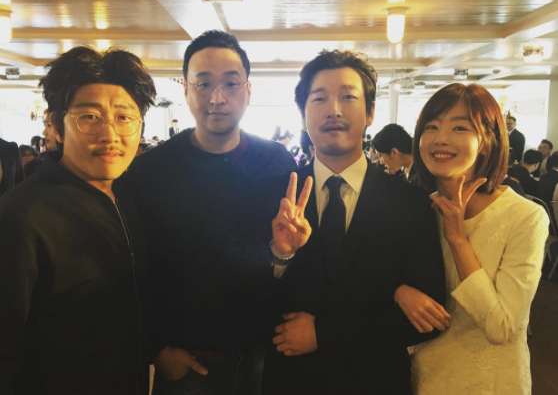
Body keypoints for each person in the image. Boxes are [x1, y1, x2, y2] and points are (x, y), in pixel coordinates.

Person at [260, 50, 445, 395]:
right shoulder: (273, 196)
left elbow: (429, 319)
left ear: (370, 112)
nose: (334, 110)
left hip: (376, 381)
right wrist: (280, 257)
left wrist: (325, 335)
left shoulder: (410, 203)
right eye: (319, 99)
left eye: (348, 97)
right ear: (303, 115)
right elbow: (247, 299)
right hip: (291, 381)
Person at [126, 30, 296, 395]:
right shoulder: (150, 171)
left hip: (265, 356)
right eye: (203, 84)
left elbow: (287, 257)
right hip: (187, 361)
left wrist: (285, 253)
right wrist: (157, 348)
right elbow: (134, 268)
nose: (217, 98)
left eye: (230, 84)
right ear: (186, 90)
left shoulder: (277, 163)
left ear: (248, 91)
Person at [0, 46, 157, 395]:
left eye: (124, 117)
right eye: (90, 117)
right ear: (56, 125)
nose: (110, 134)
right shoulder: (21, 218)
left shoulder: (129, 196)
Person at [394, 83, 548, 395]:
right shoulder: (415, 209)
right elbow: (378, 275)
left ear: (487, 143)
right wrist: (397, 290)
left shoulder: (525, 216)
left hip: (489, 384)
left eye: (459, 127)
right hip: (420, 378)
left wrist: (458, 240)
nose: (440, 138)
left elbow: (501, 327)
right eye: (431, 127)